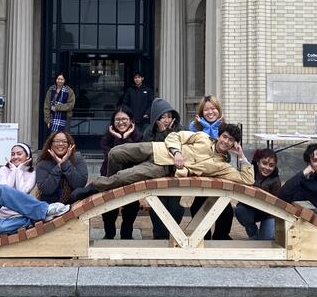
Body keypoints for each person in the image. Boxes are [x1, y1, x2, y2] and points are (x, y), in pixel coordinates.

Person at [70, 121, 253, 203]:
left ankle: (93, 188)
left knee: (125, 176)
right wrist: (177, 152)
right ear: (220, 136)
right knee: (116, 153)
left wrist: (242, 157)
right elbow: (175, 135)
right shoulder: (203, 138)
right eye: (225, 137)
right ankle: (110, 187)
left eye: (230, 141)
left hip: (162, 167)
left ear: (233, 145)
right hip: (158, 148)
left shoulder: (222, 167)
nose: (226, 142)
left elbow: (246, 180)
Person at [142, 98, 187, 240]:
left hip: (175, 174)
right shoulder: (149, 132)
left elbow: (179, 150)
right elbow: (158, 152)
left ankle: (173, 234)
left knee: (175, 207)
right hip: (157, 174)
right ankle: (159, 236)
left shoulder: (180, 129)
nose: (167, 120)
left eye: (169, 116)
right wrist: (162, 133)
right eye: (163, 117)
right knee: (158, 207)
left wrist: (166, 133)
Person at [186, 95, 230, 230]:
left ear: (219, 110)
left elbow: (222, 151)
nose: (210, 112)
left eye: (213, 108)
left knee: (225, 210)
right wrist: (206, 128)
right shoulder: (194, 126)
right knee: (199, 206)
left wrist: (214, 127)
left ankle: (221, 237)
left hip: (218, 170)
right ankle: (203, 237)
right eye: (206, 110)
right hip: (201, 169)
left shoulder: (224, 126)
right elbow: (204, 147)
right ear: (201, 112)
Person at [98, 109, 143, 240]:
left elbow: (133, 157)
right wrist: (119, 138)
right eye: (117, 119)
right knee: (108, 206)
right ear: (113, 122)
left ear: (131, 121)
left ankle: (126, 234)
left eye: (124, 119)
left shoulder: (138, 137)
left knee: (132, 206)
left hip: (131, 176)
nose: (121, 122)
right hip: (110, 175)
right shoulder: (107, 137)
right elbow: (113, 157)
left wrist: (127, 137)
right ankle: (109, 233)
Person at [234, 148, 282, 241]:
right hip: (250, 208)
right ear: (257, 162)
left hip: (268, 213)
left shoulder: (275, 180)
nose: (267, 168)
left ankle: (267, 232)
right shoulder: (250, 173)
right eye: (264, 163)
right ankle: (253, 233)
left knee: (266, 239)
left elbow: (277, 203)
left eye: (271, 165)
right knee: (240, 210)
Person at [0, 143, 37, 224]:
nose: (15, 157)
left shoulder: (32, 173)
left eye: (19, 154)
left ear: (27, 156)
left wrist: (19, 170)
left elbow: (22, 193)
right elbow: (5, 192)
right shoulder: (4, 169)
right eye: (12, 154)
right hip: (1, 213)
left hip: (21, 212)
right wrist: (14, 171)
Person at [34, 130, 89, 203]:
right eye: (56, 141)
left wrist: (65, 163)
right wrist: (59, 166)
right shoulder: (43, 164)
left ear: (69, 145)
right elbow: (47, 190)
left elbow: (80, 184)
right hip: (50, 206)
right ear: (51, 144)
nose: (60, 144)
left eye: (64, 141)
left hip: (73, 205)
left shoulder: (77, 159)